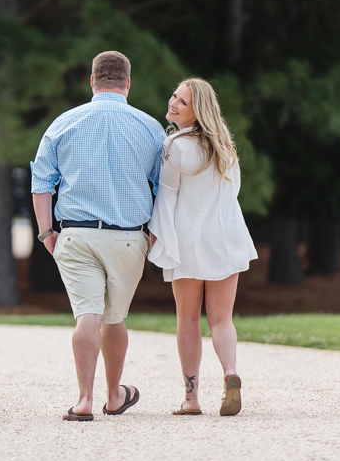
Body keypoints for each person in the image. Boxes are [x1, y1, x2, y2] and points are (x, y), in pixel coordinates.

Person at [30, 51, 165, 421]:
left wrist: (46, 234)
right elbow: (165, 188)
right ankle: (114, 396)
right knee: (115, 319)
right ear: (127, 83)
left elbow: (41, 183)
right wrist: (153, 235)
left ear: (92, 81)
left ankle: (84, 400)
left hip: (76, 236)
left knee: (86, 315)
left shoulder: (62, 124)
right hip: (128, 238)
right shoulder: (150, 128)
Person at [147, 78, 257, 417]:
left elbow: (165, 200)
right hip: (226, 238)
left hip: (189, 241)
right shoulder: (225, 146)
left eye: (182, 101)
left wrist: (153, 241)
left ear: (198, 111)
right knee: (222, 319)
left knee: (188, 318)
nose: (174, 103)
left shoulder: (175, 146)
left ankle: (192, 398)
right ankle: (230, 372)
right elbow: (232, 191)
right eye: (175, 96)